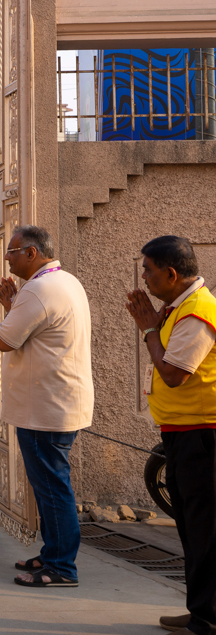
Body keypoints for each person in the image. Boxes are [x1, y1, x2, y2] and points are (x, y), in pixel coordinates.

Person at [124, 236, 216, 631]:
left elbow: (175, 374)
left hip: (202, 436)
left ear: (172, 273)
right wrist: (154, 323)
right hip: (182, 433)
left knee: (204, 531)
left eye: (148, 270)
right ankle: (201, 610)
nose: (144, 278)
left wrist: (148, 329)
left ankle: (207, 618)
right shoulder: (178, 308)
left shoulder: (198, 312)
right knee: (193, 529)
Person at [0, 225, 92, 588]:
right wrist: (13, 307)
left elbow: (6, 339)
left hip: (45, 408)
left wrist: (9, 311)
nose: (8, 259)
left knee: (52, 488)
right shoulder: (65, 281)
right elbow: (31, 334)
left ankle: (62, 566)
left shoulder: (38, 289)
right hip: (58, 402)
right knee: (50, 485)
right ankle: (53, 553)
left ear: (32, 253)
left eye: (12, 252)